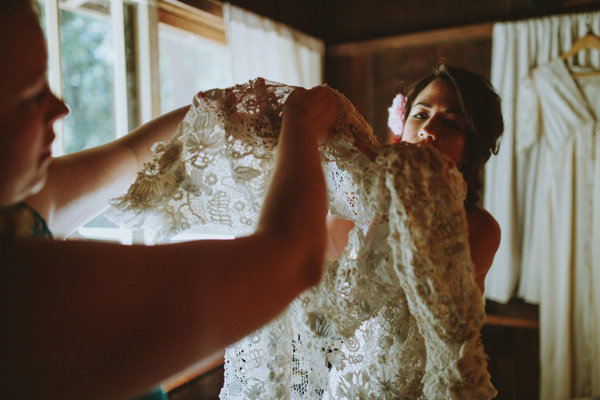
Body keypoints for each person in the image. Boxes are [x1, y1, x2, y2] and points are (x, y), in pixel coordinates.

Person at [0, 1, 338, 399]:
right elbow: (289, 260)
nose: (61, 107)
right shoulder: (20, 298)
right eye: (32, 95)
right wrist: (301, 122)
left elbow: (131, 157)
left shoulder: (20, 213)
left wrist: (226, 113)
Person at [326, 64, 504, 293]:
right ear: (402, 124)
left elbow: (381, 293)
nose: (428, 130)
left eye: (450, 123)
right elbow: (327, 283)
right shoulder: (355, 196)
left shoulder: (479, 228)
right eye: (420, 114)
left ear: (471, 149)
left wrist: (393, 196)